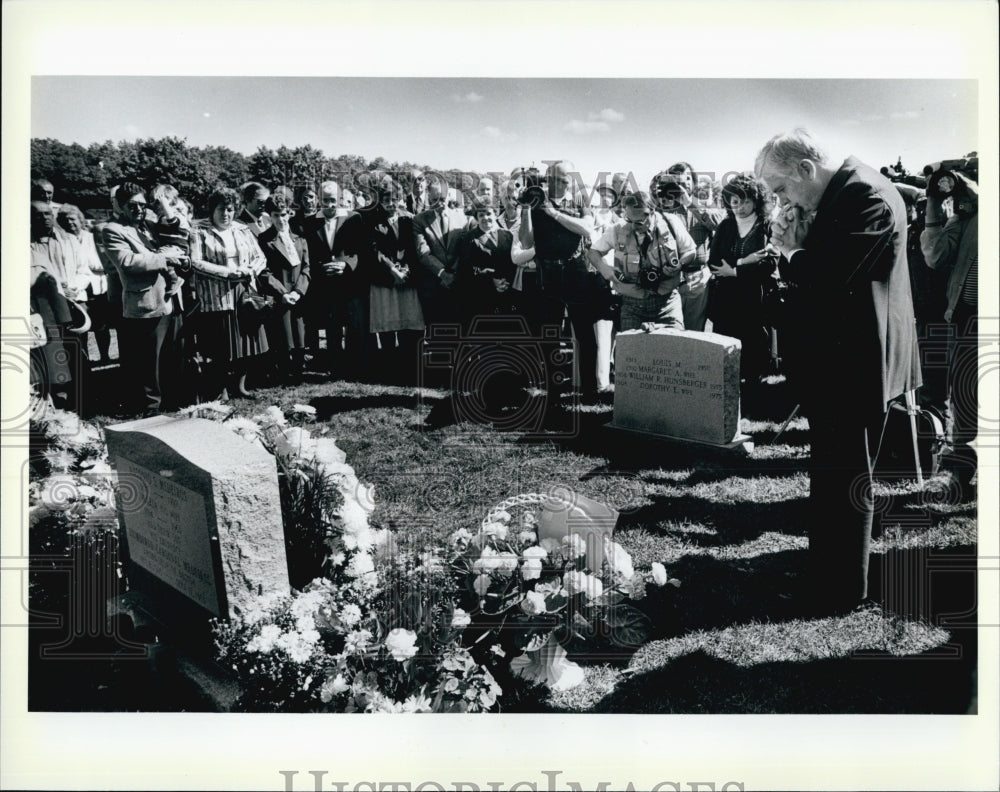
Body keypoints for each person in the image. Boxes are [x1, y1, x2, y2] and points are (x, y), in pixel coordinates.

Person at [755, 128, 920, 614]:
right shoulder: (846, 192)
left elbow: (831, 277)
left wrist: (791, 252)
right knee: (831, 472)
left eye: (781, 188)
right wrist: (796, 248)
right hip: (841, 360)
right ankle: (826, 569)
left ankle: (841, 588)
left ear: (806, 169)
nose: (781, 199)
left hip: (858, 362)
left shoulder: (865, 195)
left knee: (846, 475)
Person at [517, 160, 601, 404]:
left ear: (572, 181)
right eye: (553, 179)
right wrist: (525, 209)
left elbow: (587, 229)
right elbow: (525, 240)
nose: (558, 184)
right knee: (550, 336)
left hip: (576, 272)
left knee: (585, 334)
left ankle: (589, 390)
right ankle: (553, 392)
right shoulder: (535, 201)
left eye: (564, 180)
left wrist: (553, 213)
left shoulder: (579, 201)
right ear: (546, 178)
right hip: (548, 274)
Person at [101, 182, 188, 415]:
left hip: (169, 300)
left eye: (142, 204)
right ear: (119, 205)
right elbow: (127, 262)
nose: (139, 209)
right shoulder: (112, 230)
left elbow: (178, 234)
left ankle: (172, 403)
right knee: (148, 363)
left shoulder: (149, 224)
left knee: (170, 358)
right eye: (132, 205)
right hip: (144, 303)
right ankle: (151, 409)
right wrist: (164, 258)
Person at [920, 168, 979, 496]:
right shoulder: (970, 215)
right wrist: (934, 202)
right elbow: (935, 255)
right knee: (967, 397)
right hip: (969, 317)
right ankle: (958, 468)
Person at [189, 187, 269, 399]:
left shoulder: (242, 229)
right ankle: (220, 388)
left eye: (230, 209)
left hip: (244, 292)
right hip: (217, 294)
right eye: (221, 209)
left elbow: (260, 257)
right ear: (212, 210)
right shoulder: (198, 231)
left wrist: (250, 270)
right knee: (220, 345)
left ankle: (240, 386)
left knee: (245, 342)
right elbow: (195, 262)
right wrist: (227, 273)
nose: (226, 214)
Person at [587, 190, 694, 332]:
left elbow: (690, 251)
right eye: (629, 220)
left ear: (652, 212)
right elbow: (593, 252)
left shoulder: (671, 223)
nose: (633, 226)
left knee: (674, 349)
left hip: (667, 303)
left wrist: (679, 265)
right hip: (632, 306)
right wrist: (604, 268)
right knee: (630, 352)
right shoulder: (617, 230)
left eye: (638, 222)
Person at [706, 173, 778, 385]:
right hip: (727, 297)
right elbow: (713, 261)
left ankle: (754, 391)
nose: (740, 207)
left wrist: (735, 271)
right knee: (726, 344)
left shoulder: (766, 224)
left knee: (754, 345)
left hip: (755, 296)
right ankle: (728, 388)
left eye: (746, 201)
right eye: (735, 202)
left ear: (757, 200)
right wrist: (743, 261)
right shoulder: (725, 226)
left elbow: (769, 263)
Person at [300, 181, 370, 379]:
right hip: (325, 283)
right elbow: (309, 254)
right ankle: (336, 367)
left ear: (340, 199)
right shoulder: (310, 222)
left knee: (355, 326)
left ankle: (357, 367)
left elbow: (361, 250)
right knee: (332, 326)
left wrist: (345, 265)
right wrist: (323, 267)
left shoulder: (354, 219)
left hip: (350, 282)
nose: (329, 205)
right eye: (325, 200)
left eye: (333, 200)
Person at [363, 180, 425, 385]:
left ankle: (411, 368)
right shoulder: (372, 220)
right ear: (379, 201)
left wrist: (406, 269)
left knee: (410, 324)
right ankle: (389, 369)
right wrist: (392, 270)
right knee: (388, 325)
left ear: (400, 200)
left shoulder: (410, 219)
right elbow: (374, 250)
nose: (391, 204)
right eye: (386, 200)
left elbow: (416, 248)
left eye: (395, 199)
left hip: (408, 278)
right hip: (384, 279)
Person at [654, 163, 725, 331]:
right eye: (676, 180)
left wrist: (688, 202)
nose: (681, 184)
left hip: (697, 280)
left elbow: (718, 225)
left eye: (686, 179)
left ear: (693, 182)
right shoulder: (662, 207)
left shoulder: (704, 203)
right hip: (669, 279)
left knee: (694, 334)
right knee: (669, 332)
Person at [257, 195, 311, 383]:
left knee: (299, 332)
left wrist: (299, 290)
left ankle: (299, 368)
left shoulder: (299, 236)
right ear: (269, 216)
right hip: (279, 294)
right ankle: (283, 370)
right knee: (283, 334)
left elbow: (306, 266)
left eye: (284, 214)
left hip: (298, 292)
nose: (281, 219)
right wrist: (283, 293)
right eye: (276, 215)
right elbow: (264, 271)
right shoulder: (264, 240)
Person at [413, 179, 475, 327]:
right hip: (433, 284)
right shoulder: (419, 220)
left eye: (443, 199)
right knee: (436, 331)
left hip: (458, 283)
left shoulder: (463, 219)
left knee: (458, 329)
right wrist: (442, 273)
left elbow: (464, 251)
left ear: (448, 197)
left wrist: (453, 273)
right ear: (428, 198)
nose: (440, 204)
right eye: (435, 200)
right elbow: (423, 252)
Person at [56, 204, 113, 366]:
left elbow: (101, 262)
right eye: (65, 220)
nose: (70, 223)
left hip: (98, 287)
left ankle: (105, 356)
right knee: (83, 326)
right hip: (79, 289)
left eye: (73, 219)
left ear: (80, 220)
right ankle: (85, 360)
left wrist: (94, 267)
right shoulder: (63, 240)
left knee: (102, 326)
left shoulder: (91, 237)